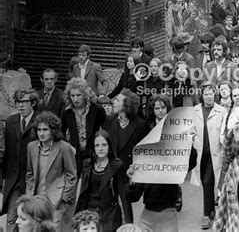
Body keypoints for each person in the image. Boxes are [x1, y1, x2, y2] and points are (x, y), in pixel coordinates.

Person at [26, 111, 78, 231]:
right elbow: (30, 174)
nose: (41, 133)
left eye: (45, 129)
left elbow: (72, 175)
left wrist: (65, 197)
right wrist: (29, 195)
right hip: (37, 200)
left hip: (57, 200)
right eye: (39, 130)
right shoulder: (31, 147)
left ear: (53, 130)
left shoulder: (64, 147)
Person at [103, 88, 149, 224]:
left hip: (128, 172)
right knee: (108, 206)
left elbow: (145, 150)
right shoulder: (109, 121)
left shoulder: (140, 124)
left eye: (117, 100)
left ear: (126, 104)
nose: (113, 102)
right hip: (110, 170)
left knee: (126, 206)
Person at [191, 82, 227, 229]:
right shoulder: (195, 110)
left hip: (216, 153)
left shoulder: (222, 111)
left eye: (211, 93)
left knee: (207, 181)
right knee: (207, 182)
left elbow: (224, 131)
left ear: (215, 94)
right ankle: (211, 210)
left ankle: (206, 214)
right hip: (201, 153)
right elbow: (191, 129)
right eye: (206, 94)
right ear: (202, 96)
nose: (209, 96)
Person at [2, 89, 39, 231]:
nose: (21, 105)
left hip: (33, 179)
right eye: (18, 102)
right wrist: (4, 179)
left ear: (33, 102)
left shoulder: (40, 121)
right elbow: (8, 152)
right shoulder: (11, 121)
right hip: (14, 179)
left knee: (31, 218)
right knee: (12, 217)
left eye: (24, 102)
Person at [76, 130, 126, 232]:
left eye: (104, 145)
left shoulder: (117, 165)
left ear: (109, 146)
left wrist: (129, 222)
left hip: (110, 214)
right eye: (97, 145)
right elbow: (83, 192)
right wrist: (77, 215)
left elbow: (123, 195)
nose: (100, 148)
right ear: (93, 148)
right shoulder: (87, 163)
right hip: (90, 212)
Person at [61, 77, 106, 174]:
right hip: (74, 155)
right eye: (72, 95)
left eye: (78, 95)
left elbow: (106, 132)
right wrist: (68, 146)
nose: (75, 99)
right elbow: (61, 133)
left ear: (85, 95)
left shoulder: (97, 110)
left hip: (93, 154)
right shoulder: (66, 112)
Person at [125, 166, 180, 232]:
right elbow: (132, 197)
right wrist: (132, 182)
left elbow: (191, 162)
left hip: (168, 215)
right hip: (148, 216)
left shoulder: (173, 161)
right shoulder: (144, 163)